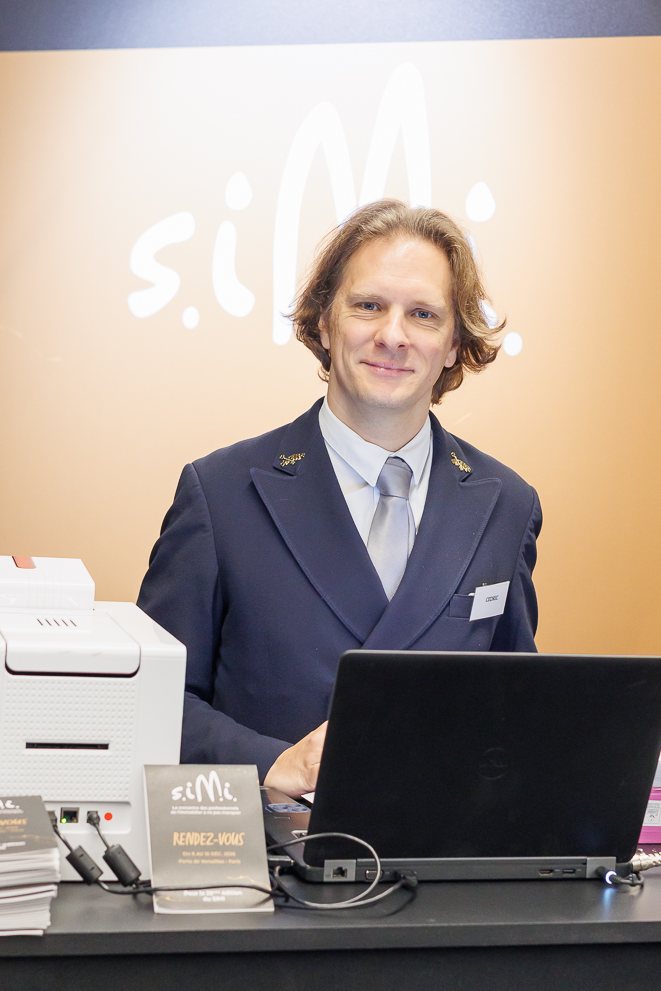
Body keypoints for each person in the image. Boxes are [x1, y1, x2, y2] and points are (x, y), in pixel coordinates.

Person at [137, 199, 541, 796]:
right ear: (325, 323)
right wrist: (272, 762)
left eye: (423, 315)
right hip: (272, 844)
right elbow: (149, 700)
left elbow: (517, 709)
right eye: (368, 306)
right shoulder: (220, 495)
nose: (392, 336)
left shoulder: (506, 505)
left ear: (455, 343)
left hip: (440, 845)